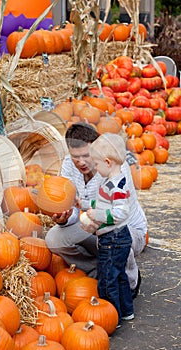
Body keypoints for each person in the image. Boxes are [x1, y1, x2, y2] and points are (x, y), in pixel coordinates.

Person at [45, 122, 147, 298]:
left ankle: (131, 280)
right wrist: (65, 218)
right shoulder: (69, 166)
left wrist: (82, 206)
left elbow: (118, 210)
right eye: (76, 156)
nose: (81, 162)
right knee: (54, 239)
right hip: (92, 225)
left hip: (127, 230)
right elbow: (72, 207)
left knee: (114, 234)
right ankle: (98, 268)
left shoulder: (115, 165)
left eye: (86, 155)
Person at [80, 132, 134, 327]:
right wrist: (88, 205)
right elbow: (103, 203)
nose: (94, 168)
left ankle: (112, 317)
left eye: (96, 164)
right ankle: (126, 311)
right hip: (116, 238)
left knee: (107, 279)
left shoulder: (118, 187)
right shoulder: (111, 182)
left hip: (113, 240)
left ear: (108, 162)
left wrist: (97, 216)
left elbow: (119, 213)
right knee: (119, 276)